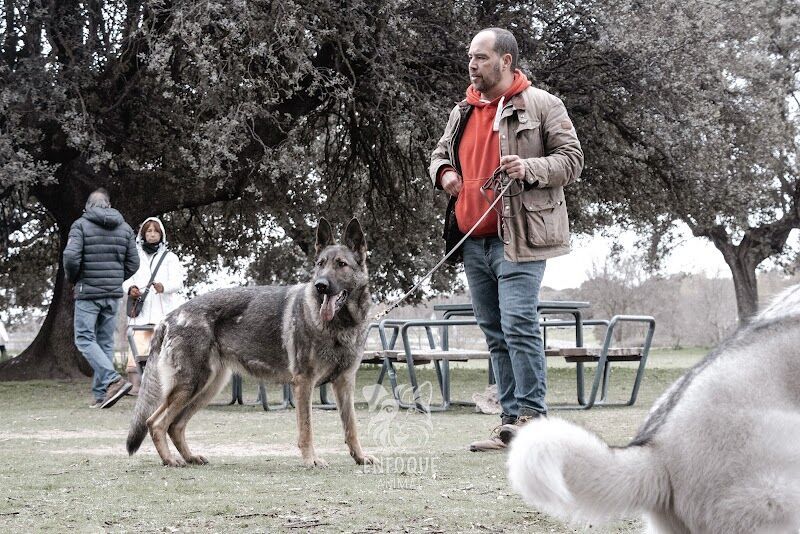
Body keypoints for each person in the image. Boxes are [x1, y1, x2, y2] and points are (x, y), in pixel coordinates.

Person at [429, 28, 583, 451]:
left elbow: (572, 160)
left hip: (519, 238)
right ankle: (510, 422)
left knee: (517, 324)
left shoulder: (544, 105)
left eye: (480, 58)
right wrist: (444, 174)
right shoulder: (462, 110)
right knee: (495, 331)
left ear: (506, 61)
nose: (472, 65)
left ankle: (533, 420)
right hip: (471, 241)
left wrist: (530, 168)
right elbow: (439, 153)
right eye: (470, 58)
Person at [63, 188, 139, 409]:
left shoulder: (80, 225)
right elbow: (133, 263)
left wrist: (74, 278)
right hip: (113, 294)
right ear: (108, 204)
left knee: (84, 339)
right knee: (104, 342)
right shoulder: (124, 228)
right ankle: (101, 394)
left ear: (88, 205)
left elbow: (70, 256)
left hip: (88, 292)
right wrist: (116, 278)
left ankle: (112, 380)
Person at [122, 217, 186, 394]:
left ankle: (161, 386)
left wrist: (163, 287)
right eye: (148, 231)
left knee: (162, 349)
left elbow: (177, 282)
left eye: (155, 231)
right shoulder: (135, 257)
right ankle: (135, 386)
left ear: (161, 234)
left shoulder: (170, 258)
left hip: (163, 312)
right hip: (140, 311)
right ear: (143, 234)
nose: (152, 234)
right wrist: (130, 288)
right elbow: (126, 278)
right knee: (137, 346)